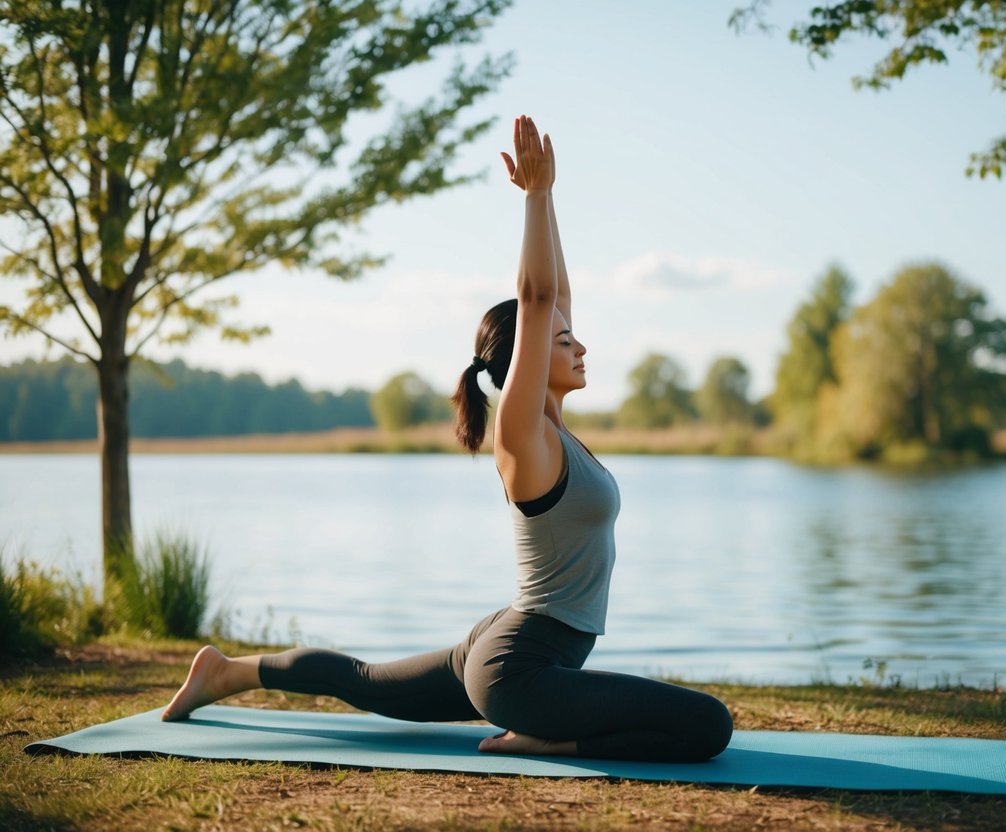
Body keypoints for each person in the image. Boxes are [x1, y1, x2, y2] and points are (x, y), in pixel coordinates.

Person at [161, 115, 733, 762]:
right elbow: (538, 295)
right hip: (521, 671)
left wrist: (551, 199)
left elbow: (554, 297)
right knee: (708, 725)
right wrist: (534, 198)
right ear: (526, 356)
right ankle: (545, 741)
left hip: (506, 646)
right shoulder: (523, 437)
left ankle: (226, 672)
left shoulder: (554, 433)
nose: (579, 345)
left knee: (368, 683)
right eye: (563, 340)